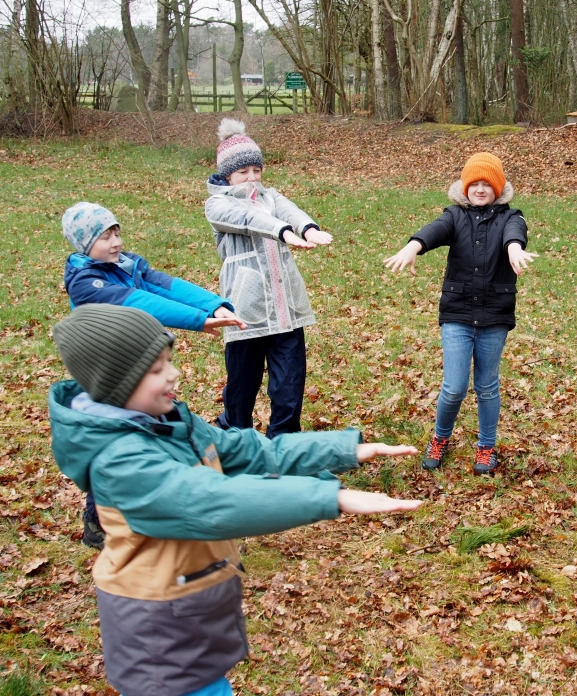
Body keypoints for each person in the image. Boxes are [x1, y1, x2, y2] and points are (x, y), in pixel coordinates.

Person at [49, 303, 421, 696]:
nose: (174, 374)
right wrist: (330, 498)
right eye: (156, 369)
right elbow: (210, 501)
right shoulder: (120, 462)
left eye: (169, 361)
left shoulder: (170, 422)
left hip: (191, 608)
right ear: (116, 383)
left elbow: (251, 452)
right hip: (158, 632)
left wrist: (344, 449)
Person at [61, 201, 247, 549]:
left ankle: (145, 511)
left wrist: (212, 305)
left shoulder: (124, 263)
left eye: (115, 232)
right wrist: (197, 320)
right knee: (115, 441)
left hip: (137, 369)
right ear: (85, 245)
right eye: (104, 237)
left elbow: (164, 286)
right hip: (109, 376)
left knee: (145, 435)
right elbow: (139, 302)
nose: (114, 242)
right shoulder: (87, 281)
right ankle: (98, 523)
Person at [383, 152, 537, 475]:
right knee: (453, 387)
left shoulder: (512, 217)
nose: (480, 189)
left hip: (495, 315)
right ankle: (440, 438)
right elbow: (435, 230)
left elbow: (515, 234)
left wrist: (514, 249)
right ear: (465, 187)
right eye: (474, 183)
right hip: (457, 314)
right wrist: (414, 246)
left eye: (487, 184)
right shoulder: (454, 216)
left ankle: (486, 446)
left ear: (498, 188)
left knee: (487, 385)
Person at [205, 118, 333, 438]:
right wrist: (283, 232)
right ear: (227, 174)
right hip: (246, 313)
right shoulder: (218, 204)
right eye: (242, 172)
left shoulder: (271, 197)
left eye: (256, 171)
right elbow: (250, 219)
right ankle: (235, 441)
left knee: (289, 386)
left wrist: (308, 228)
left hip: (286, 310)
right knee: (241, 390)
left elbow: (291, 211)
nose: (251, 179)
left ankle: (283, 446)